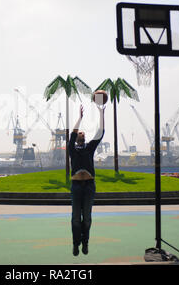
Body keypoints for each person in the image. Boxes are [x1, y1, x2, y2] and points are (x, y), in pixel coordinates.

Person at [68, 104, 105, 256]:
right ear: (77, 138)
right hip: (76, 186)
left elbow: (100, 132)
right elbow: (72, 134)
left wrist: (101, 113)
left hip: (89, 186)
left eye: (83, 132)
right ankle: (76, 244)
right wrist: (80, 118)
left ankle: (85, 242)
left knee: (87, 218)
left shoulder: (90, 147)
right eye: (79, 132)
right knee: (76, 218)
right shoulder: (72, 149)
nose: (81, 133)